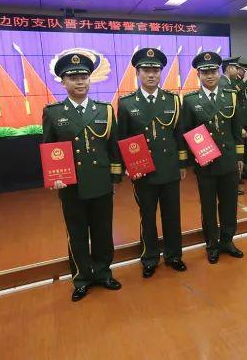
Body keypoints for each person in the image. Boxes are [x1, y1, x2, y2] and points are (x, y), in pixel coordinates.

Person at [42, 53, 123, 302]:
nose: (80, 81)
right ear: (63, 82)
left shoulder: (105, 110)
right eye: (73, 77)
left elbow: (113, 147)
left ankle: (102, 272)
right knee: (76, 233)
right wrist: (53, 176)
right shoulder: (53, 113)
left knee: (102, 231)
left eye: (84, 77)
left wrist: (115, 176)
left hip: (100, 182)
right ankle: (81, 278)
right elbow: (49, 148)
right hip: (71, 185)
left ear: (90, 80)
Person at [118, 48, 188, 278]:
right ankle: (149, 258)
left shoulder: (172, 100)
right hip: (143, 172)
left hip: (168, 168)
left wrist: (182, 163)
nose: (151, 75)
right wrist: (129, 166)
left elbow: (178, 134)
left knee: (172, 215)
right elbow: (124, 139)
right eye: (146, 70)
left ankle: (174, 255)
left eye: (156, 70)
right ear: (137, 72)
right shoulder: (127, 103)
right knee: (147, 217)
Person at [181, 51, 245, 264]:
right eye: (204, 72)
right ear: (198, 74)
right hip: (205, 163)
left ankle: (228, 240)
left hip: (227, 161)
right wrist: (193, 158)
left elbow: (237, 132)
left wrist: (240, 157)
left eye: (213, 71)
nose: (209, 76)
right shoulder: (190, 101)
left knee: (229, 203)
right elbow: (186, 133)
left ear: (218, 72)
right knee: (208, 206)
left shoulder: (231, 96)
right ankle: (212, 244)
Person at [221, 56, 245, 195]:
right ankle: (232, 187)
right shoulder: (224, 83)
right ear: (229, 68)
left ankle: (233, 185)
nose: (237, 70)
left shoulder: (230, 81)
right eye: (236, 68)